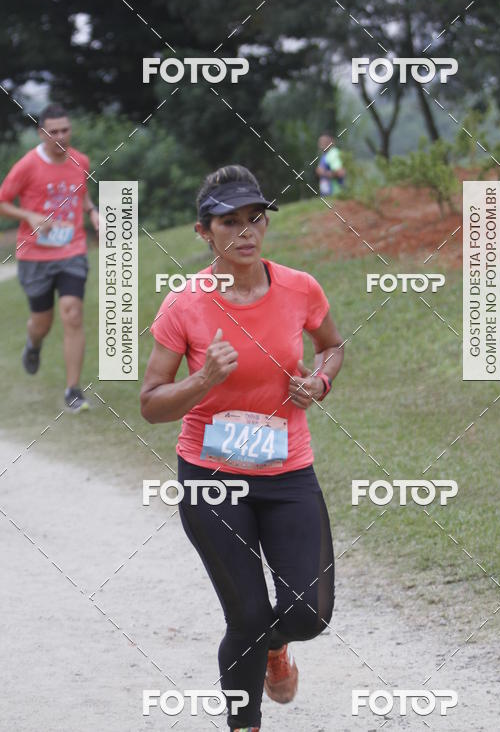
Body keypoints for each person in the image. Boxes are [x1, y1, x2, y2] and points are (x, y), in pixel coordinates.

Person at [140, 165, 344, 731]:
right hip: (212, 477)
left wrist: (320, 381)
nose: (246, 231)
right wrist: (203, 381)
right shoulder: (184, 305)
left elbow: (331, 347)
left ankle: (276, 648)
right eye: (229, 221)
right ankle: (244, 723)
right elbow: (151, 403)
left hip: (288, 473)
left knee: (308, 614)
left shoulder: (301, 287)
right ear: (204, 232)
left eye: (255, 218)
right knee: (247, 614)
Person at [0, 104, 99, 411]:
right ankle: (34, 344)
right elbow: (2, 201)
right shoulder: (27, 165)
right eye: (53, 131)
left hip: (72, 249)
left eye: (65, 130)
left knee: (72, 313)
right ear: (41, 133)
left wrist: (93, 213)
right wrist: (28, 214)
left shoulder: (80, 160)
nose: (60, 136)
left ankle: (73, 390)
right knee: (41, 322)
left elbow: (82, 195)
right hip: (35, 255)